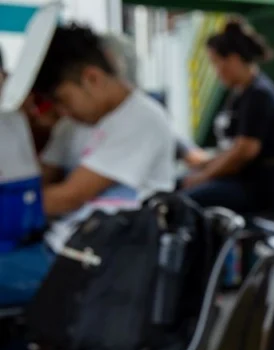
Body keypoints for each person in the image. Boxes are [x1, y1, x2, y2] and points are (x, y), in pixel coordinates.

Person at [0, 23, 175, 306]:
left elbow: (68, 197)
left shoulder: (141, 120)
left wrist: (15, 204)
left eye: (62, 100)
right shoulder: (74, 124)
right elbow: (40, 179)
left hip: (97, 262)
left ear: (92, 78)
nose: (61, 112)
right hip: (60, 245)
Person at [179, 17, 274, 214]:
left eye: (216, 63)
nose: (216, 72)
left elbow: (243, 153)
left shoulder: (259, 95)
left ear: (233, 59)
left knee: (181, 203)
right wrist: (206, 165)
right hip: (240, 181)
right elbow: (230, 148)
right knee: (176, 184)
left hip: (256, 189)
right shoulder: (241, 93)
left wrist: (203, 176)